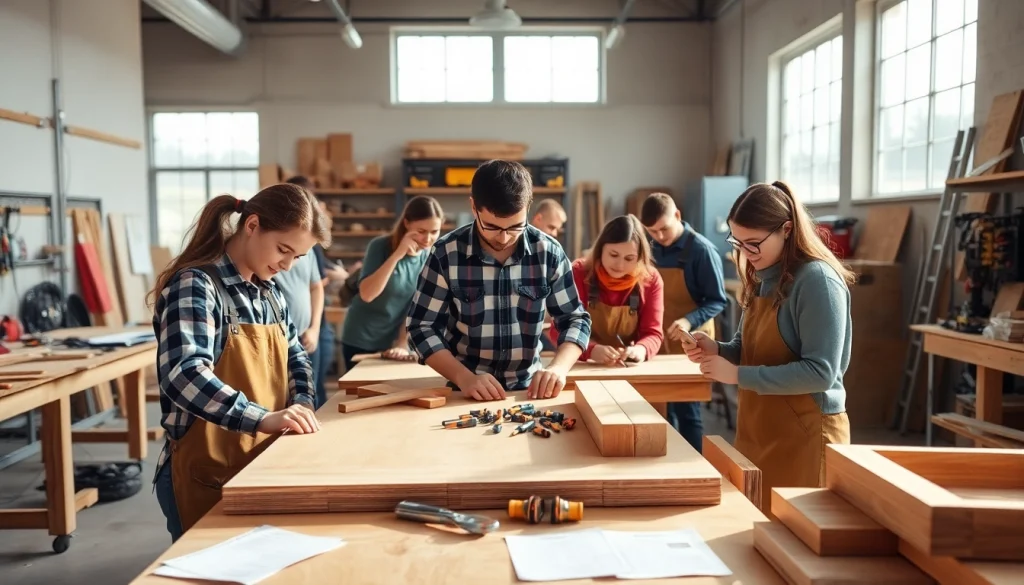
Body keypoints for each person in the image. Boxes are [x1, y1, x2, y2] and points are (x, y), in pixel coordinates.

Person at [148, 184, 329, 541]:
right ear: (252, 225)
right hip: (208, 473)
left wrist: (302, 405)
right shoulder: (197, 286)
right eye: (283, 249)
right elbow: (185, 375)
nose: (287, 265)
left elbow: (296, 358)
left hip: (261, 465)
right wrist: (262, 419)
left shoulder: (269, 293)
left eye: (298, 258)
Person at [683, 181, 853, 513]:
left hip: (805, 435)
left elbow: (820, 373)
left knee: (797, 538)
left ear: (787, 230)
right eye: (737, 242)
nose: (745, 252)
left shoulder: (817, 281)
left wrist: (737, 376)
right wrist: (717, 349)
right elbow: (746, 347)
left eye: (753, 243)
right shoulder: (763, 276)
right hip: (761, 429)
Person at [407, 160, 592, 401]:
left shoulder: (549, 252)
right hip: (464, 390)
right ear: (474, 207)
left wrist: (558, 368)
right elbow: (421, 326)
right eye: (492, 226)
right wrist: (464, 377)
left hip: (529, 391)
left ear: (528, 208)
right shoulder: (446, 253)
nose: (504, 238)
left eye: (516, 227)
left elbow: (575, 319)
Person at [639, 192, 728, 453]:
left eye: (664, 229)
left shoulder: (702, 251)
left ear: (677, 216)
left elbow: (717, 300)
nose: (659, 237)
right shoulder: (650, 248)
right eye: (652, 232)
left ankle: (692, 468)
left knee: (688, 412)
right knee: (660, 410)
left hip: (691, 343)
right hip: (657, 341)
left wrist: (689, 320)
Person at [340, 196, 444, 373]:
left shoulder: (429, 257)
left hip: (393, 344)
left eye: (434, 232)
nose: (427, 239)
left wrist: (403, 344)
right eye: (421, 230)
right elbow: (367, 294)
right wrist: (397, 255)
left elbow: (414, 307)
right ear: (406, 223)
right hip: (360, 338)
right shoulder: (380, 246)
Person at [549, 215, 664, 366]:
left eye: (629, 258)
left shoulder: (651, 279)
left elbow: (653, 333)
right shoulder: (578, 273)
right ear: (600, 249)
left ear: (640, 258)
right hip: (583, 365)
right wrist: (590, 350)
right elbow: (559, 329)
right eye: (613, 255)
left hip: (625, 367)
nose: (620, 265)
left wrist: (641, 349)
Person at [284, 175, 351, 408]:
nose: (287, 263)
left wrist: (313, 328)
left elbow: (316, 285)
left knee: (313, 395)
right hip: (283, 338)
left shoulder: (309, 249)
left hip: (309, 333)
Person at [530, 199, 567, 352]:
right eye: (551, 227)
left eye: (557, 229)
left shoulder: (552, 254)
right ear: (538, 218)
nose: (554, 233)